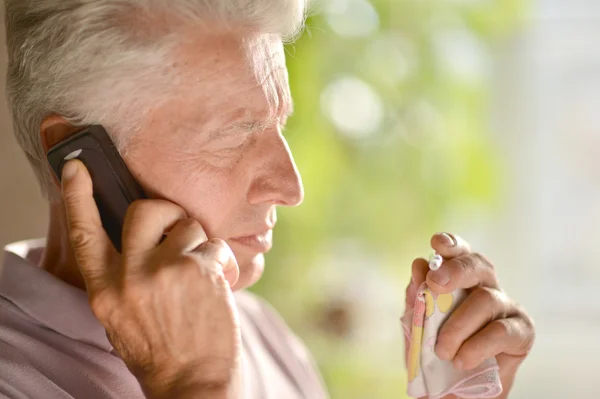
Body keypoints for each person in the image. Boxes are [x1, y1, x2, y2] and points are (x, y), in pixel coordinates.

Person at [0, 1, 535, 398]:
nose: (290, 185)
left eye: (280, 127)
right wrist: (196, 385)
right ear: (78, 160)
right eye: (233, 136)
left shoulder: (259, 332)